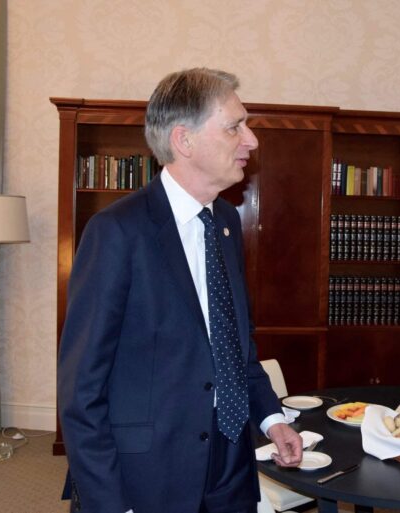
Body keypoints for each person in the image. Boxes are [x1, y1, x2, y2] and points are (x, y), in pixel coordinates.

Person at [58, 68, 303, 513]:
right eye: (234, 127)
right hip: (149, 473)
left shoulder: (225, 222)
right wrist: (108, 504)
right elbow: (81, 389)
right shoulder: (116, 232)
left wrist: (272, 419)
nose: (251, 140)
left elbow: (234, 344)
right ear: (184, 140)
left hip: (231, 459)